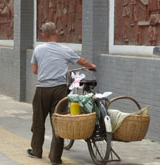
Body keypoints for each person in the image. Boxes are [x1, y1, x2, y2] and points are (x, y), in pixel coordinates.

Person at [27, 22, 96, 164]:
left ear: (43, 34)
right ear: (56, 33)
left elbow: (34, 71)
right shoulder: (65, 49)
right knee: (58, 123)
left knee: (38, 121)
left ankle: (36, 151)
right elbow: (81, 61)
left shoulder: (38, 50)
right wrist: (91, 66)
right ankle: (55, 158)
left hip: (42, 89)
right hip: (60, 90)